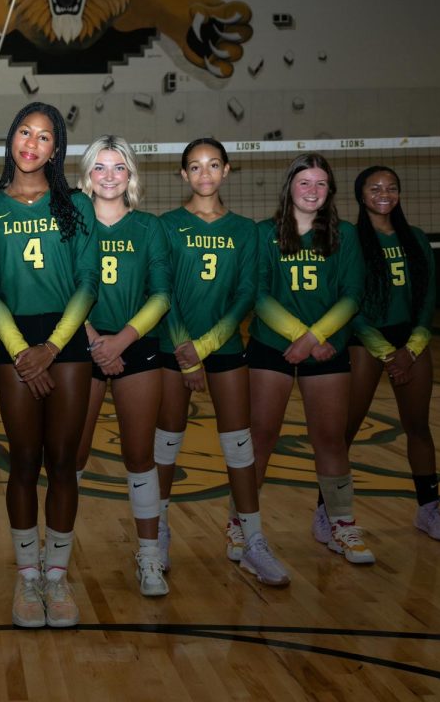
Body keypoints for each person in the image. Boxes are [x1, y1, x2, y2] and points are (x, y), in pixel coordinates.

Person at [0, 101, 98, 628]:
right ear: (11, 138)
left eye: (45, 136)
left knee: (63, 461)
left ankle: (57, 574)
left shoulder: (77, 206)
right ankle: (28, 579)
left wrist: (52, 346)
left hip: (65, 343)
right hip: (13, 341)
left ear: (56, 148)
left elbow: (88, 284)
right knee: (24, 461)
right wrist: (23, 350)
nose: (32, 142)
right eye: (25, 131)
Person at [156, 138, 291, 585]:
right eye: (194, 167)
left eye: (213, 164)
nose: (204, 174)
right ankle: (156, 533)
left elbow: (246, 295)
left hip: (226, 348)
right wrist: (185, 353)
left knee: (240, 445)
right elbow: (164, 294)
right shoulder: (167, 226)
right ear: (183, 175)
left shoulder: (246, 230)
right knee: (166, 445)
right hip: (175, 350)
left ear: (227, 170)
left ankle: (251, 539)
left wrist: (207, 346)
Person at [248, 153, 374, 565]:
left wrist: (316, 337)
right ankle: (243, 526)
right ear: (289, 188)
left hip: (327, 347)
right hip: (273, 345)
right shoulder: (264, 233)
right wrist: (298, 337)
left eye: (321, 184)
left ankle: (341, 524)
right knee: (260, 439)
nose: (312, 191)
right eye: (305, 183)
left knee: (331, 440)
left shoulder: (347, 236)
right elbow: (259, 294)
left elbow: (353, 294)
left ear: (330, 191)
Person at [72, 135, 172, 597]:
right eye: (100, 167)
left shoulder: (149, 228)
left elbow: (161, 295)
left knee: (139, 456)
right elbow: (60, 287)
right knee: (73, 454)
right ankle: (57, 556)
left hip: (137, 348)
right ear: (87, 174)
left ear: (130, 175)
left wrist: (122, 341)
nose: (109, 176)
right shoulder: (70, 223)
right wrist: (94, 339)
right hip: (82, 345)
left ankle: (150, 556)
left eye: (118, 167)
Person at [345, 166, 440, 541]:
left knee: (418, 427)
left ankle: (429, 510)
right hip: (365, 341)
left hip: (411, 342)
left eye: (391, 187)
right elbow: (349, 303)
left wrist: (410, 348)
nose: (384, 193)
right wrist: (385, 352)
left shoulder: (417, 239)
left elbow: (428, 298)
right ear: (361, 195)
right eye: (375, 188)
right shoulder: (351, 240)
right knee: (345, 432)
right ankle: (329, 512)